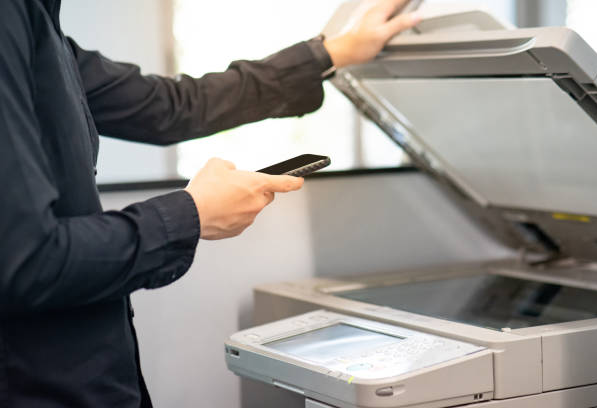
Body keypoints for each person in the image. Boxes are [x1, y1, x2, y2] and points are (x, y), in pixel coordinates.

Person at [0, 0, 420, 406]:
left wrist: (333, 51)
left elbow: (169, 106)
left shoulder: (39, 19)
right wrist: (192, 214)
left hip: (93, 370)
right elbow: (30, 258)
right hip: (36, 382)